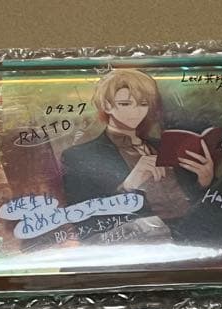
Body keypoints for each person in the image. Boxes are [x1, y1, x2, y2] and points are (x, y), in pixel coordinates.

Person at [60, 68, 214, 228]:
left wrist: (204, 182)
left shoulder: (163, 145)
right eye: (125, 104)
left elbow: (193, 200)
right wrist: (128, 186)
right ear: (106, 105)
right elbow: (84, 220)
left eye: (143, 104)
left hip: (196, 229)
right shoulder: (79, 156)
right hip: (144, 237)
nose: (136, 111)